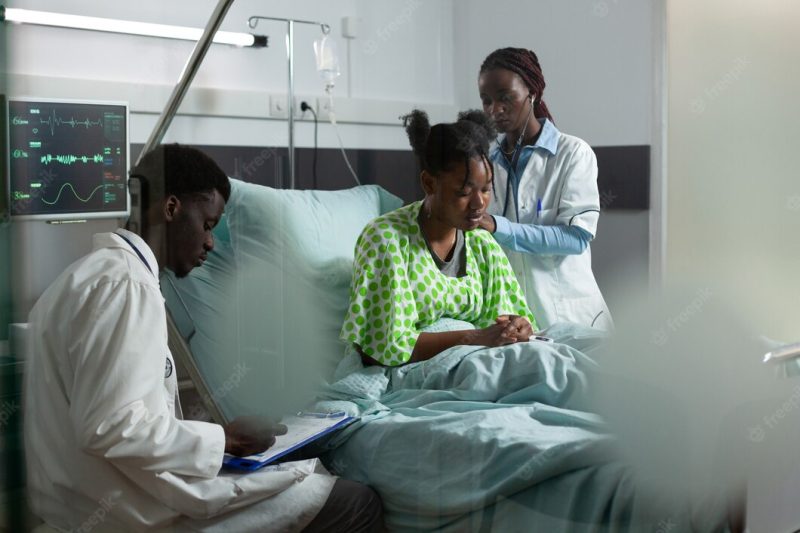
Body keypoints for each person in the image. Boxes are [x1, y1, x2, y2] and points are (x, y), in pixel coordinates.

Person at [24, 143, 383, 532]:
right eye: (208, 225)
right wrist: (225, 439)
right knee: (354, 502)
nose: (210, 242)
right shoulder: (126, 286)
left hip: (88, 502)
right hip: (127, 513)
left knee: (300, 478)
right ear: (171, 208)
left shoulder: (78, 280)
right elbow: (113, 427)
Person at [340, 110, 536, 367]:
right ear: (429, 183)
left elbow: (505, 318)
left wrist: (517, 327)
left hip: (481, 359)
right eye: (464, 192)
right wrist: (472, 338)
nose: (479, 203)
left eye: (486, 189)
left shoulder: (481, 243)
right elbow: (378, 349)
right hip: (415, 369)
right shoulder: (386, 240)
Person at [477, 47, 613, 331]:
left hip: (571, 315)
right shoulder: (487, 162)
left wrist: (498, 227)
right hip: (516, 319)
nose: (494, 110)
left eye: (505, 98)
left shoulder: (573, 153)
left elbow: (575, 239)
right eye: (486, 100)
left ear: (532, 93)